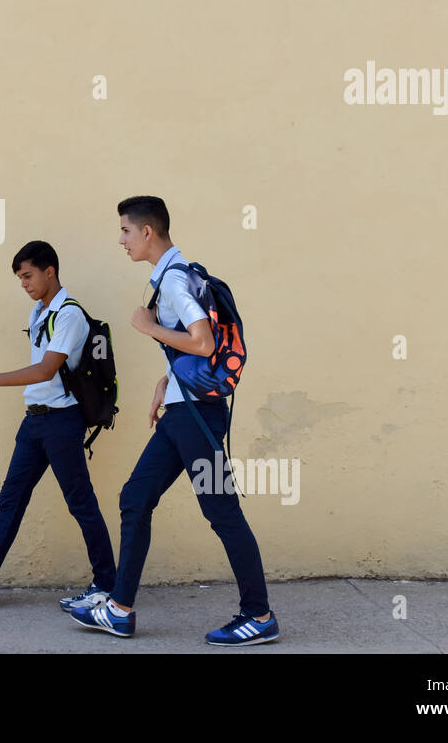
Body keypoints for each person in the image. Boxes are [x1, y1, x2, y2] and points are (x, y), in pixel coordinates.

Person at [69, 197, 279, 645]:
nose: (121, 240)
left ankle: (258, 615)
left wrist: (148, 328)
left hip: (196, 419)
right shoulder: (173, 276)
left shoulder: (175, 282)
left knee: (222, 512)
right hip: (183, 412)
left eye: (125, 231)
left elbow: (202, 342)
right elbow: (190, 348)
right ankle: (120, 610)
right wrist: (167, 380)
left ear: (148, 232)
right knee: (135, 497)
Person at [0, 240, 117, 611]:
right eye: (19, 277)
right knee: (11, 500)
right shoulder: (39, 311)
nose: (24, 283)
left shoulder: (69, 314)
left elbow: (46, 369)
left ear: (50, 271)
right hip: (34, 421)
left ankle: (108, 585)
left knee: (81, 504)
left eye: (28, 275)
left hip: (62, 422)